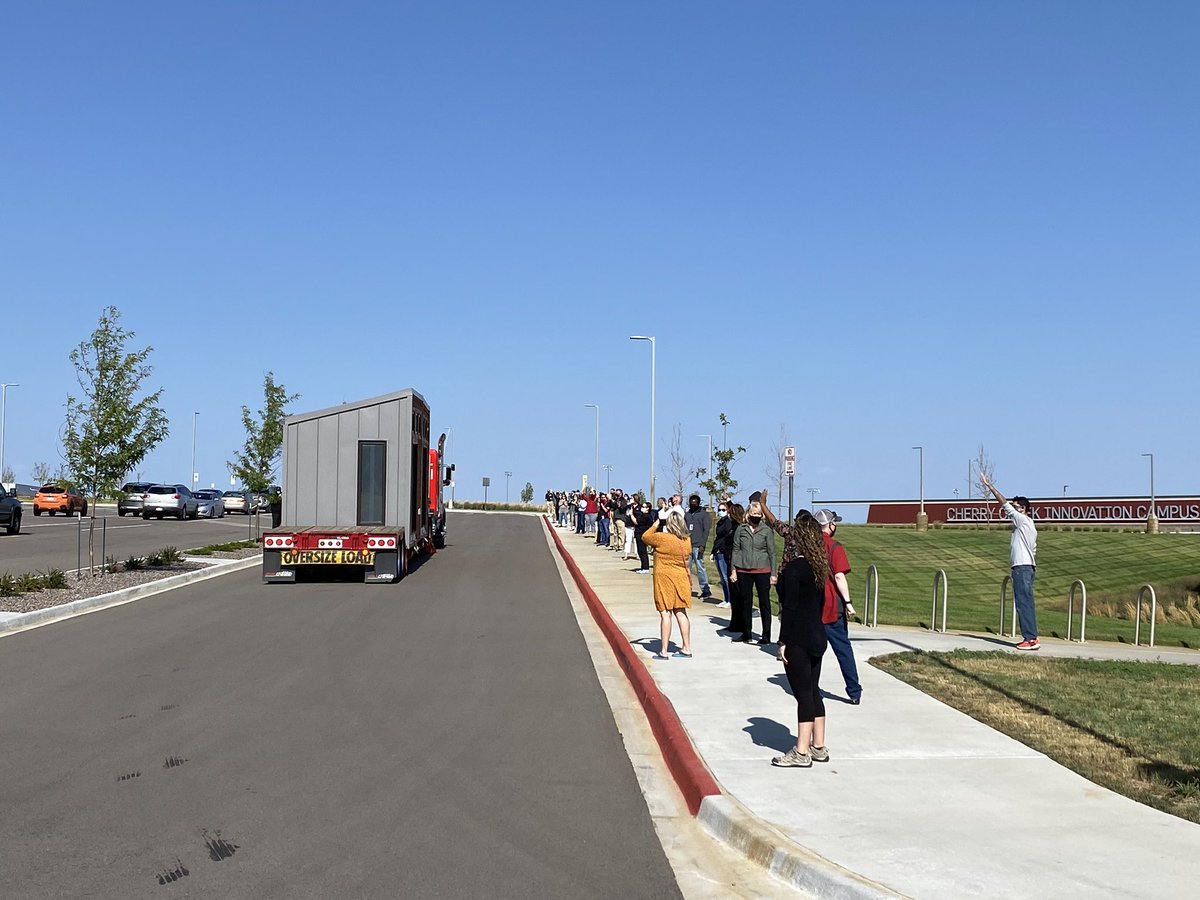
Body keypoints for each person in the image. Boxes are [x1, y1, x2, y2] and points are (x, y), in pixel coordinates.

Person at [772, 512, 832, 768]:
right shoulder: (820, 568)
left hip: (798, 637)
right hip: (817, 635)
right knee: (813, 690)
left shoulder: (795, 569)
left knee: (803, 694)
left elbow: (790, 607)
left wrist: (782, 641)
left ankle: (801, 751)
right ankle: (819, 745)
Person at [980, 472, 1040, 650]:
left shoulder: (1022, 521)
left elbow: (1003, 503)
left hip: (1022, 567)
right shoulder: (1027, 526)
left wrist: (989, 486)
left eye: (1017, 506)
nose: (1013, 509)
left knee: (1023, 603)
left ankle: (1030, 639)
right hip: (1026, 567)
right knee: (1025, 602)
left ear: (1024, 509)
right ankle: (1031, 638)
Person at [814, 509, 862, 704]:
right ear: (830, 525)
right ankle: (854, 690)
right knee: (843, 649)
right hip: (832, 605)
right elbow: (840, 576)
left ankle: (811, 686)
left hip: (813, 606)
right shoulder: (834, 547)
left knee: (815, 651)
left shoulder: (809, 547)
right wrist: (848, 603)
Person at [641, 509, 694, 659]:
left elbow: (645, 537)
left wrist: (657, 523)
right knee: (681, 612)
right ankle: (687, 647)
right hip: (681, 577)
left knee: (665, 613)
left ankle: (664, 651)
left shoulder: (661, 538)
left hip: (664, 578)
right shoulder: (686, 540)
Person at [731, 500, 776, 644]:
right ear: (748, 514)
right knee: (745, 601)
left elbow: (772, 552)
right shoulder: (741, 529)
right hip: (744, 569)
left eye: (758, 513)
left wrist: (773, 573)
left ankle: (766, 635)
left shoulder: (766, 531)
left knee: (764, 602)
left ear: (761, 515)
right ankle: (746, 633)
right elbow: (736, 549)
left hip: (762, 569)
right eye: (753, 513)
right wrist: (733, 570)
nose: (755, 515)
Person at [684, 494, 713, 599]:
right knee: (687, 568)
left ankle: (705, 590)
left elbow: (706, 531)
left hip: (698, 545)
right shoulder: (687, 514)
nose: (693, 504)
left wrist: (703, 544)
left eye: (695, 502)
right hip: (688, 545)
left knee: (700, 568)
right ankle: (687, 588)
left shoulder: (703, 514)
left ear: (698, 503)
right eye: (691, 502)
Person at [711, 500, 736, 606]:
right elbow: (717, 538)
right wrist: (713, 551)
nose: (721, 511)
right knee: (722, 577)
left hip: (723, 552)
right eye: (719, 510)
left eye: (723, 510)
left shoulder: (728, 522)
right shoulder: (720, 522)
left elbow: (725, 537)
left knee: (726, 577)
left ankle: (730, 599)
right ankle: (726, 598)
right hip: (717, 551)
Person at [632, 499, 656, 574]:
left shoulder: (647, 516)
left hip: (642, 534)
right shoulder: (642, 515)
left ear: (647, 508)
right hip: (638, 533)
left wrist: (631, 515)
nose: (642, 507)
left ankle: (645, 567)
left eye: (644, 506)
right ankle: (643, 567)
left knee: (643, 551)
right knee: (640, 551)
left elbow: (636, 522)